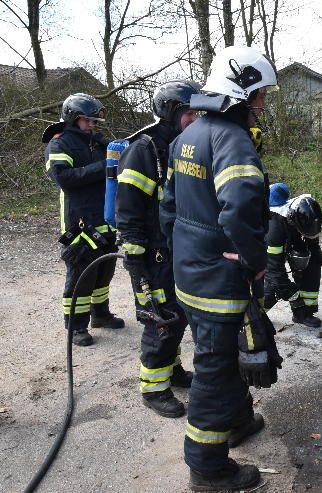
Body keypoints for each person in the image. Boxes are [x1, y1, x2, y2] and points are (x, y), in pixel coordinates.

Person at [160, 46, 279, 491]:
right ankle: (208, 468)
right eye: (261, 94)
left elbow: (169, 209)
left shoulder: (186, 137)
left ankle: (237, 420)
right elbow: (240, 210)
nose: (263, 104)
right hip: (219, 278)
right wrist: (255, 261)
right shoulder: (233, 141)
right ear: (240, 91)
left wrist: (184, 257)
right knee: (217, 368)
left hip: (191, 271)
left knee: (223, 355)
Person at [115, 80, 201, 418]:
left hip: (176, 249)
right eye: (190, 113)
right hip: (151, 254)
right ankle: (153, 388)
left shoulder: (181, 147)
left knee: (177, 315)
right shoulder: (144, 149)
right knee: (160, 319)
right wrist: (135, 257)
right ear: (172, 112)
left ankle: (173, 371)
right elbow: (130, 209)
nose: (197, 120)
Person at [44, 93, 123, 347]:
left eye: (94, 122)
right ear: (73, 118)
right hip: (79, 224)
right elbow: (64, 178)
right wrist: (104, 167)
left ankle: (100, 315)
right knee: (80, 277)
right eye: (87, 121)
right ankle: (76, 327)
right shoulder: (59, 144)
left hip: (104, 219)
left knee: (104, 272)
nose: (92, 126)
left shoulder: (98, 143)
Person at [264, 183, 322, 327]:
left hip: (287, 237)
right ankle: (250, 317)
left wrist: (314, 251)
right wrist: (292, 294)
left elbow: (311, 237)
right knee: (274, 285)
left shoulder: (306, 212)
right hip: (258, 254)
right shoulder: (274, 228)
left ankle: (304, 313)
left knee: (312, 263)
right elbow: (274, 270)